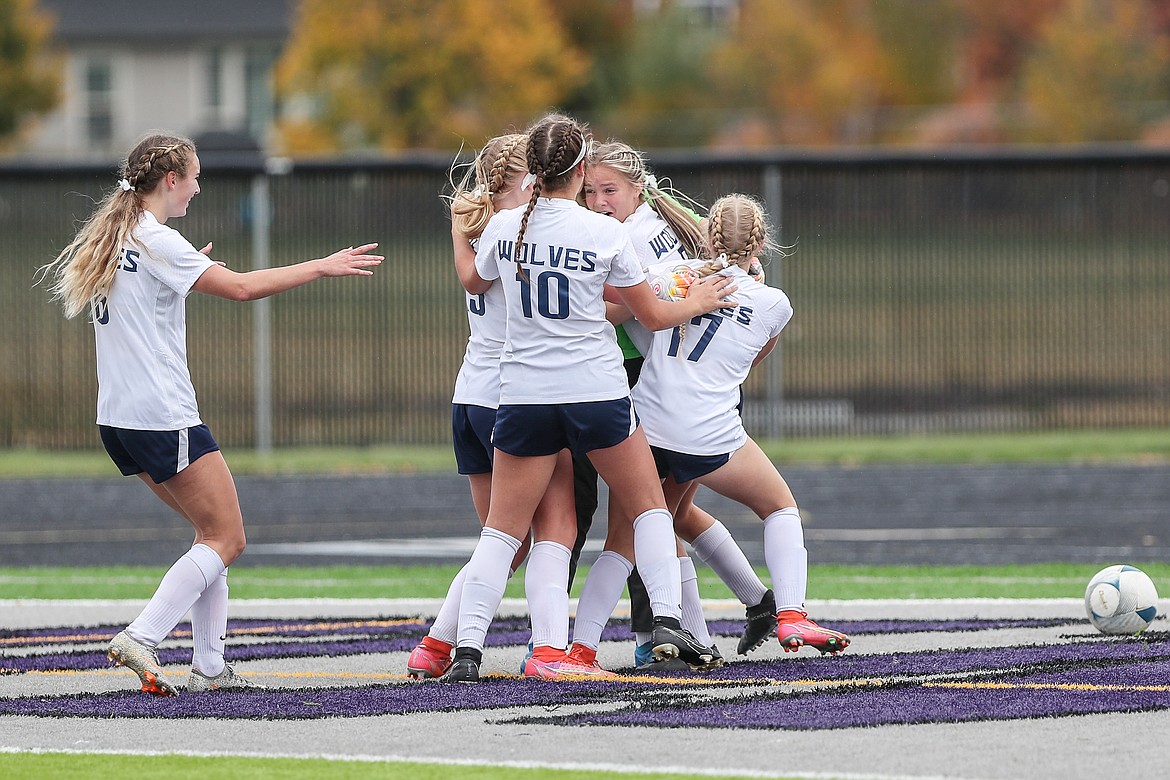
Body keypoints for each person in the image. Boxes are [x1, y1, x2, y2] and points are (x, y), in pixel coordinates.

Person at [36, 133, 382, 696]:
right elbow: (243, 288)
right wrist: (322, 265)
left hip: (119, 420)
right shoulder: (157, 239)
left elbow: (150, 295)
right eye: (193, 177)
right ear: (170, 180)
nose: (198, 186)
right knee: (228, 538)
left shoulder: (121, 234)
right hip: (160, 414)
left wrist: (188, 267)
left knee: (209, 533)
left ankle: (210, 665)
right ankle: (144, 636)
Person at [438, 113, 738, 682]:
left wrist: (460, 226)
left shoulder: (504, 229)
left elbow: (475, 282)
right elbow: (650, 313)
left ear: (534, 172)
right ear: (578, 171)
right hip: (594, 390)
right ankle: (668, 620)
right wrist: (697, 300)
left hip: (524, 394)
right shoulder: (605, 232)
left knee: (502, 531)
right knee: (649, 505)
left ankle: (467, 652)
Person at [570, 141, 776, 671]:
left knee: (639, 521)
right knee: (668, 515)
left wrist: (565, 302)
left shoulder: (631, 235)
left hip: (662, 384)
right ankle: (748, 606)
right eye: (589, 190)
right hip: (692, 381)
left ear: (638, 188)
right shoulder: (650, 224)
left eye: (607, 189)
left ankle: (614, 640)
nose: (596, 200)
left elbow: (634, 312)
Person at [635, 193, 849, 655]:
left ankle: (686, 631)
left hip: (649, 423)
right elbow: (752, 355)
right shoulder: (775, 303)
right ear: (762, 242)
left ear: (707, 236)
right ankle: (791, 614)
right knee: (779, 506)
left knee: (660, 522)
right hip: (708, 430)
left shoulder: (672, 276)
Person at [406, 134, 584, 680]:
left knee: (501, 541)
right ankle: (549, 651)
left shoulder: (477, 223)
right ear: (531, 177)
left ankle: (437, 645)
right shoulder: (521, 229)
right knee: (554, 524)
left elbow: (473, 276)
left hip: (471, 396)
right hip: (516, 395)